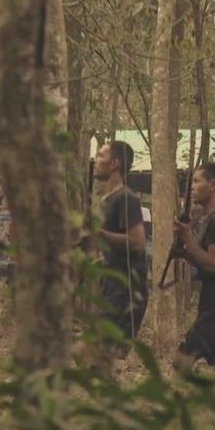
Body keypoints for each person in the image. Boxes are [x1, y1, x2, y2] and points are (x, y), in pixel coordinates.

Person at [173, 162, 215, 377]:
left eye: (196, 181)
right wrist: (184, 252)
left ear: (213, 185)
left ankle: (185, 405)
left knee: (181, 359)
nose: (192, 186)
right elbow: (206, 263)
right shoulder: (209, 220)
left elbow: (213, 264)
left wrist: (187, 238)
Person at [91, 140, 148, 357]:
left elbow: (137, 242)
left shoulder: (126, 198)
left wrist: (98, 233)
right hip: (112, 286)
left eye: (100, 156)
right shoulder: (107, 200)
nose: (95, 161)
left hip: (126, 290)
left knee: (101, 354)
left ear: (114, 163)